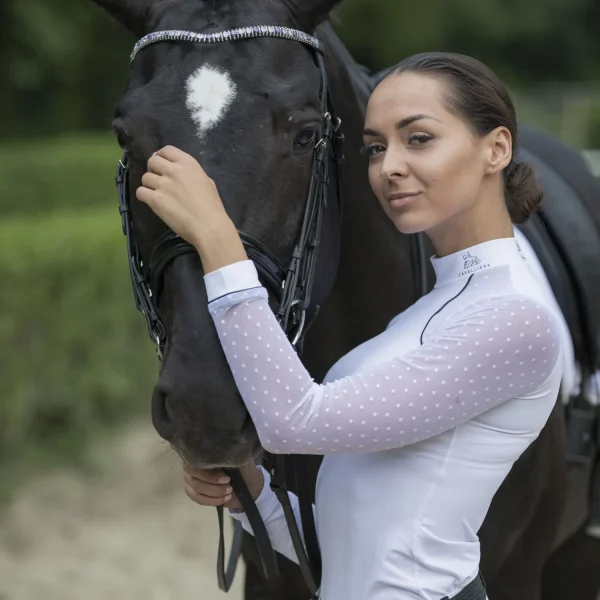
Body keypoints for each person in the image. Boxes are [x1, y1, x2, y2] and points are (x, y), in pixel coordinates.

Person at [135, 52, 564, 600]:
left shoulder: (514, 317)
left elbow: (294, 421)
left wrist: (217, 237)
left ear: (496, 148)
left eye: (419, 139)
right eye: (376, 147)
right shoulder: (437, 306)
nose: (389, 167)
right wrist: (254, 494)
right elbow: (362, 550)